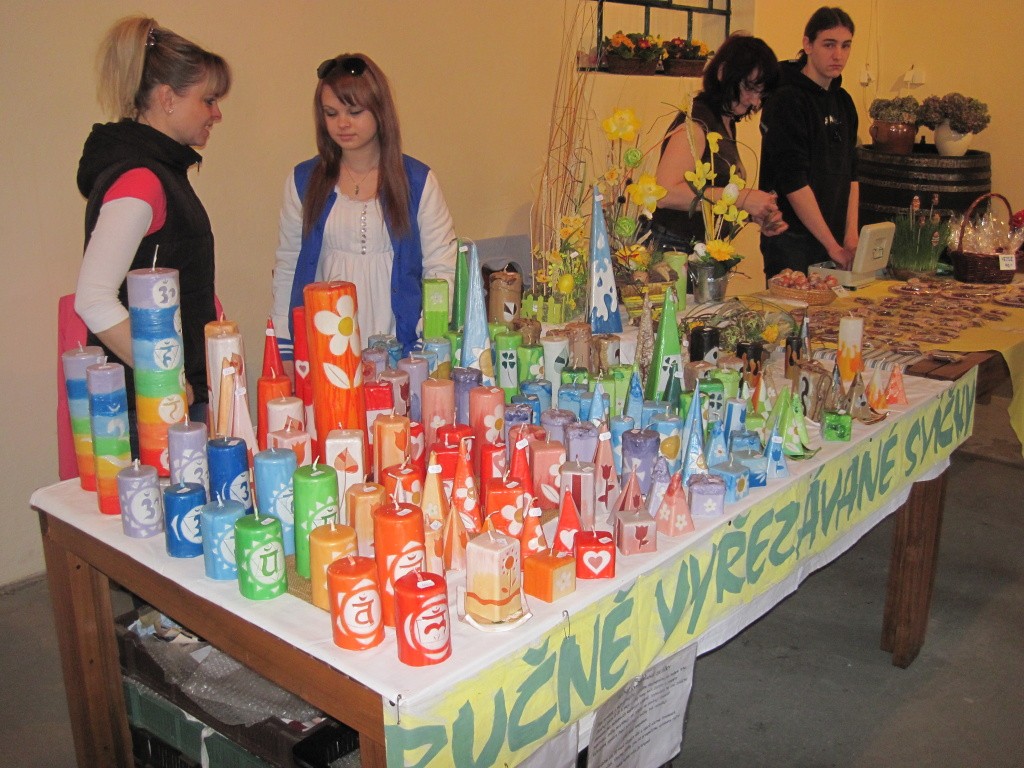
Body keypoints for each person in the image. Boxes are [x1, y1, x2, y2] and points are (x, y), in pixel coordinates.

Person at [75, 16, 231, 438]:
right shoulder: (141, 180)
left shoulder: (163, 171)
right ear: (167, 98)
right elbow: (93, 299)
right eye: (208, 100)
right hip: (148, 409)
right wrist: (167, 377)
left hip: (167, 399)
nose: (217, 113)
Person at [271, 53, 457, 364]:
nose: (342, 123)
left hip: (404, 351)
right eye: (331, 113)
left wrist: (426, 342)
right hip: (326, 349)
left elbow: (442, 269)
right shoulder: (304, 180)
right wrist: (286, 347)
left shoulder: (417, 181)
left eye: (354, 112)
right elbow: (288, 266)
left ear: (379, 110)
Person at [652, 33, 787, 254]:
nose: (755, 101)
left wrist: (752, 212)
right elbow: (665, 193)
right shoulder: (697, 122)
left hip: (698, 249)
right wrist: (741, 199)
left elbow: (712, 196)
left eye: (761, 93)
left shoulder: (724, 120)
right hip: (674, 249)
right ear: (723, 73)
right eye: (750, 89)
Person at [759, 7, 859, 277]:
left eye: (845, 45)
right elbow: (793, 182)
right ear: (808, 44)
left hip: (833, 241)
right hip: (791, 240)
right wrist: (832, 246)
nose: (838, 55)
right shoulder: (786, 99)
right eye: (829, 44)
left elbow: (852, 174)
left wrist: (850, 237)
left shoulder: (844, 102)